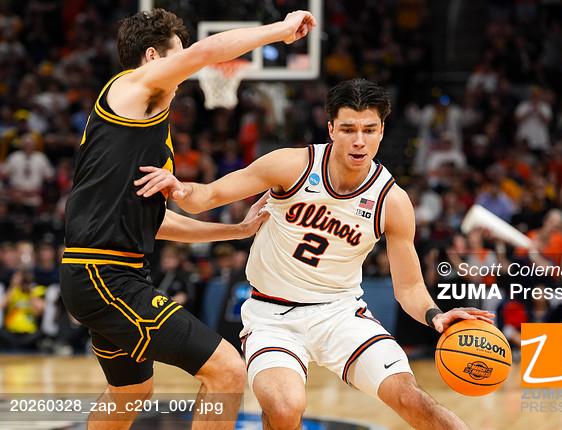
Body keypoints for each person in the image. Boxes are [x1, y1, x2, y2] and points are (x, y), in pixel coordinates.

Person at [136, 79, 495, 429]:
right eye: (348, 129)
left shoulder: (392, 201)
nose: (359, 140)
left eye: (369, 130)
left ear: (382, 131)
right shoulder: (292, 166)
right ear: (331, 129)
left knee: (410, 397)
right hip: (272, 315)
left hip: (340, 313)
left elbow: (410, 287)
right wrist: (180, 189)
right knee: (284, 408)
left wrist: (435, 315)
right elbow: (209, 196)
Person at [59, 8, 316, 430]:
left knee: (131, 391)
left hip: (104, 274)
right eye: (179, 55)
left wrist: (236, 230)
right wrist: (281, 30)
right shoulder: (131, 86)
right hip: (103, 275)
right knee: (227, 370)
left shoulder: (142, 126)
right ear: (152, 57)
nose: (187, 68)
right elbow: (208, 51)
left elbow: (156, 223)